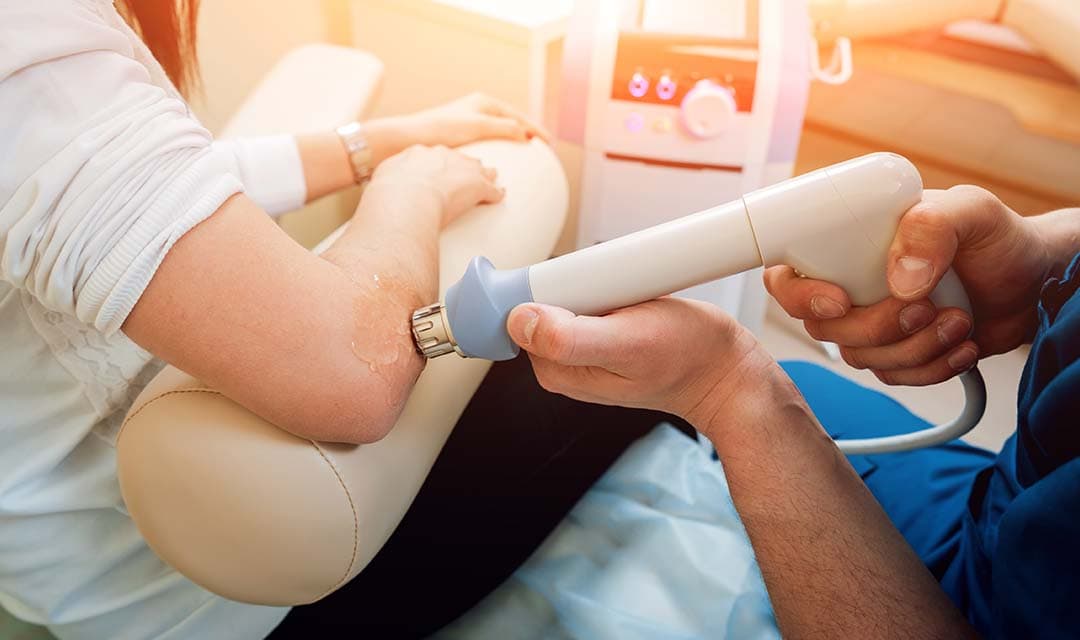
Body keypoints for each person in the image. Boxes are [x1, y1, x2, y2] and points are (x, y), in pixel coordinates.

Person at [2, 1, 701, 638]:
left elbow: (150, 184)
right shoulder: (27, 49)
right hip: (226, 593)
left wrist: (378, 143)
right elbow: (352, 372)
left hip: (88, 567)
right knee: (626, 342)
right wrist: (410, 191)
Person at [503, 186, 1080, 638]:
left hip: (1016, 605)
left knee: (774, 393)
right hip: (1017, 502)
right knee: (801, 382)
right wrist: (1045, 261)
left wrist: (727, 389)